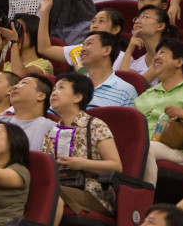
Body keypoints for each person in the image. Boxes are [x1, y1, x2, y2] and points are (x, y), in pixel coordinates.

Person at [43, 72, 123, 224]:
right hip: (61, 185)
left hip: (93, 192)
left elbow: (116, 166)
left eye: (61, 88)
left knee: (51, 193)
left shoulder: (95, 125)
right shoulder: (51, 132)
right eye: (53, 89)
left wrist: (81, 164)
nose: (54, 92)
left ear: (77, 97)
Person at [136, 39, 183, 186]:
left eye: (162, 53)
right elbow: (131, 122)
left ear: (179, 62)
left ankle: (143, 200)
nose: (156, 57)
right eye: (156, 53)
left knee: (145, 147)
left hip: (178, 149)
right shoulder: (147, 93)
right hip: (146, 142)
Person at [37, 0, 126, 72]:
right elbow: (44, 49)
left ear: (116, 29)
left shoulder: (122, 57)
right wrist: (45, 13)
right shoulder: (79, 50)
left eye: (101, 21)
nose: (94, 25)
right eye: (93, 21)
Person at [0, 14, 53, 79]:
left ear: (34, 34)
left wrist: (14, 41)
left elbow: (19, 78)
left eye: (19, 30)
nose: (16, 34)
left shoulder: (45, 64)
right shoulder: (8, 65)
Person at [121, 5, 179, 75]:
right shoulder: (138, 62)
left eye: (145, 17)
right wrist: (129, 50)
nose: (136, 21)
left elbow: (142, 84)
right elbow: (122, 80)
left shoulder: (168, 54)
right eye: (136, 18)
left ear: (160, 26)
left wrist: (134, 79)